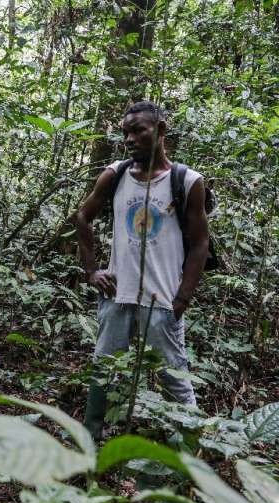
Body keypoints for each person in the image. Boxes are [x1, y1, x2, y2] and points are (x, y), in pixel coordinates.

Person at [75, 101, 209, 440]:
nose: (130, 139)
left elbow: (199, 243)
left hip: (162, 301)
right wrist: (93, 271)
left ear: (161, 130)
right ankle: (89, 441)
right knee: (102, 373)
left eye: (139, 131)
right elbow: (83, 217)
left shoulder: (187, 181)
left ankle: (191, 450)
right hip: (117, 295)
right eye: (125, 133)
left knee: (174, 379)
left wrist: (181, 299)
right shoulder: (115, 175)